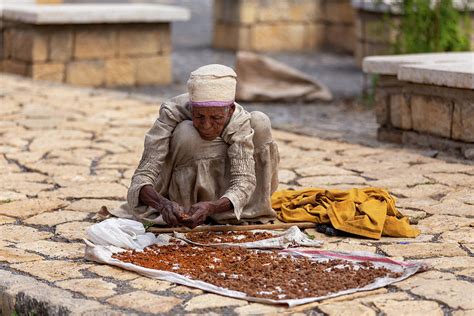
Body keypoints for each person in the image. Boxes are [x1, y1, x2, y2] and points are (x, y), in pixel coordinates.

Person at [112, 64, 280, 228]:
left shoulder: (239, 121)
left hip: (226, 196)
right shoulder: (171, 113)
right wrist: (162, 204)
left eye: (215, 118)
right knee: (186, 132)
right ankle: (187, 208)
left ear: (229, 110)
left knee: (260, 121)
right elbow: (142, 176)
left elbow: (244, 181)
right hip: (180, 200)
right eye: (199, 116)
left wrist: (213, 207)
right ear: (191, 107)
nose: (206, 125)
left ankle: (243, 210)